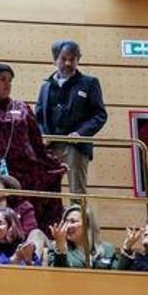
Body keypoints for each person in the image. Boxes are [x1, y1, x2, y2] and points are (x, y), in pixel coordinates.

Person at [0, 63, 65, 228]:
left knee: (23, 213)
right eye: (2, 79)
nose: (7, 84)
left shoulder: (22, 108)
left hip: (22, 172)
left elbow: (36, 142)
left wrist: (53, 164)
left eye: (10, 80)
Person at [36, 40, 108, 195]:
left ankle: (81, 220)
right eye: (63, 59)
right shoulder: (46, 86)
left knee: (77, 193)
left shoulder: (89, 83)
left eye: (72, 59)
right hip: (50, 146)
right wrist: (43, 135)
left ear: (78, 60)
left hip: (75, 146)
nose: (68, 63)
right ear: (55, 59)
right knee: (48, 192)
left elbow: (99, 115)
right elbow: (39, 117)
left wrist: (81, 133)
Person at [47, 205, 122, 269]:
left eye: (73, 221)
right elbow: (58, 275)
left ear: (88, 225)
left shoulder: (108, 249)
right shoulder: (55, 247)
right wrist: (60, 246)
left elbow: (118, 276)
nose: (68, 226)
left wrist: (127, 249)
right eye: (66, 222)